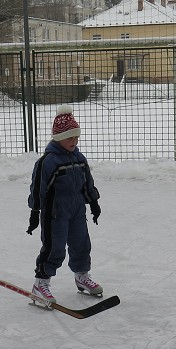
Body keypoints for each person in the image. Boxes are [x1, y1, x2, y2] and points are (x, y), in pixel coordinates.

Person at [27, 105, 103, 304]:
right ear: (59, 138)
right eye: (70, 137)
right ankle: (40, 283)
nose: (74, 141)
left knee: (81, 244)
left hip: (77, 210)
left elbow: (87, 182)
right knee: (55, 248)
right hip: (55, 213)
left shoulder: (79, 158)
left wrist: (93, 202)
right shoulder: (48, 162)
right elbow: (37, 188)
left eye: (76, 137)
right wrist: (35, 211)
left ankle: (81, 276)